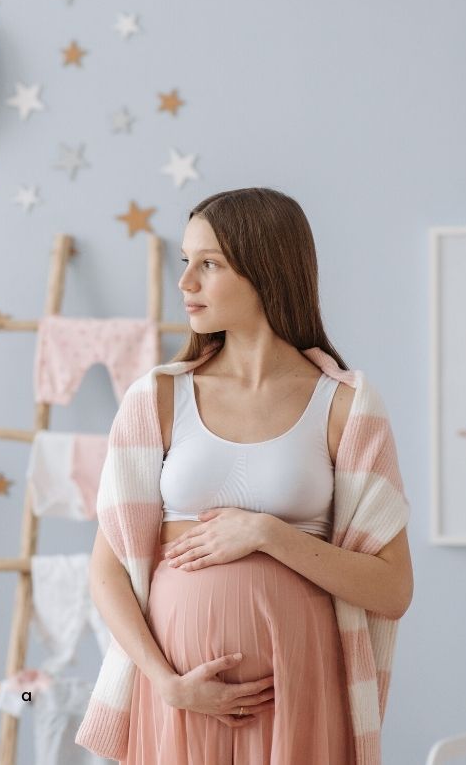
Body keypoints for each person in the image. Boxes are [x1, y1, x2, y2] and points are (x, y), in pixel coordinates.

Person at [84, 187, 413, 764]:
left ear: (268, 269)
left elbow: (392, 589)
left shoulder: (345, 405)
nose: (185, 282)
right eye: (186, 262)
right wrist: (166, 682)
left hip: (299, 692)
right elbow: (107, 573)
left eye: (209, 264)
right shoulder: (158, 398)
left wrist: (268, 533)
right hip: (178, 696)